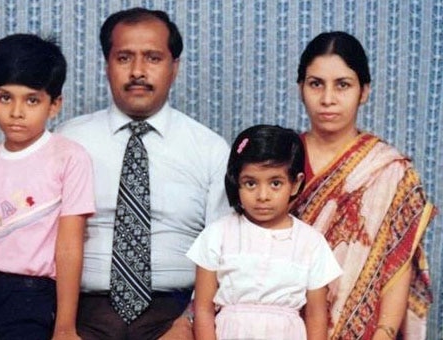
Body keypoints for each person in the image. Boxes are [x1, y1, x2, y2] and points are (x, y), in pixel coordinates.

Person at [0, 7, 230, 340]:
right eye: (123, 58)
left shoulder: (211, 151)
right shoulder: (64, 141)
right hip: (78, 312)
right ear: (106, 66)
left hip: (173, 312)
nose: (137, 71)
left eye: (152, 58)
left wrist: (190, 320)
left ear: (174, 67)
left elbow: (229, 249)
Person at [290, 31, 436, 340]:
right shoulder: (279, 161)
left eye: (342, 85)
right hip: (279, 326)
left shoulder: (390, 172)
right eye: (316, 84)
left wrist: (383, 333)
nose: (328, 98)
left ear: (364, 91)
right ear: (301, 88)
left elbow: (396, 266)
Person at [0, 34, 95, 339]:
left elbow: (70, 247)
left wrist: (65, 327)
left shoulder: (69, 158)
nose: (16, 112)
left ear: (55, 104)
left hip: (35, 296)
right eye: (5, 97)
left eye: (32, 100)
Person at [186, 125, 342, 340]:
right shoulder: (217, 235)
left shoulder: (310, 242)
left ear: (295, 184)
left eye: (275, 183)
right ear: (236, 182)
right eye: (250, 183)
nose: (262, 196)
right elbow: (203, 310)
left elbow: (316, 315)